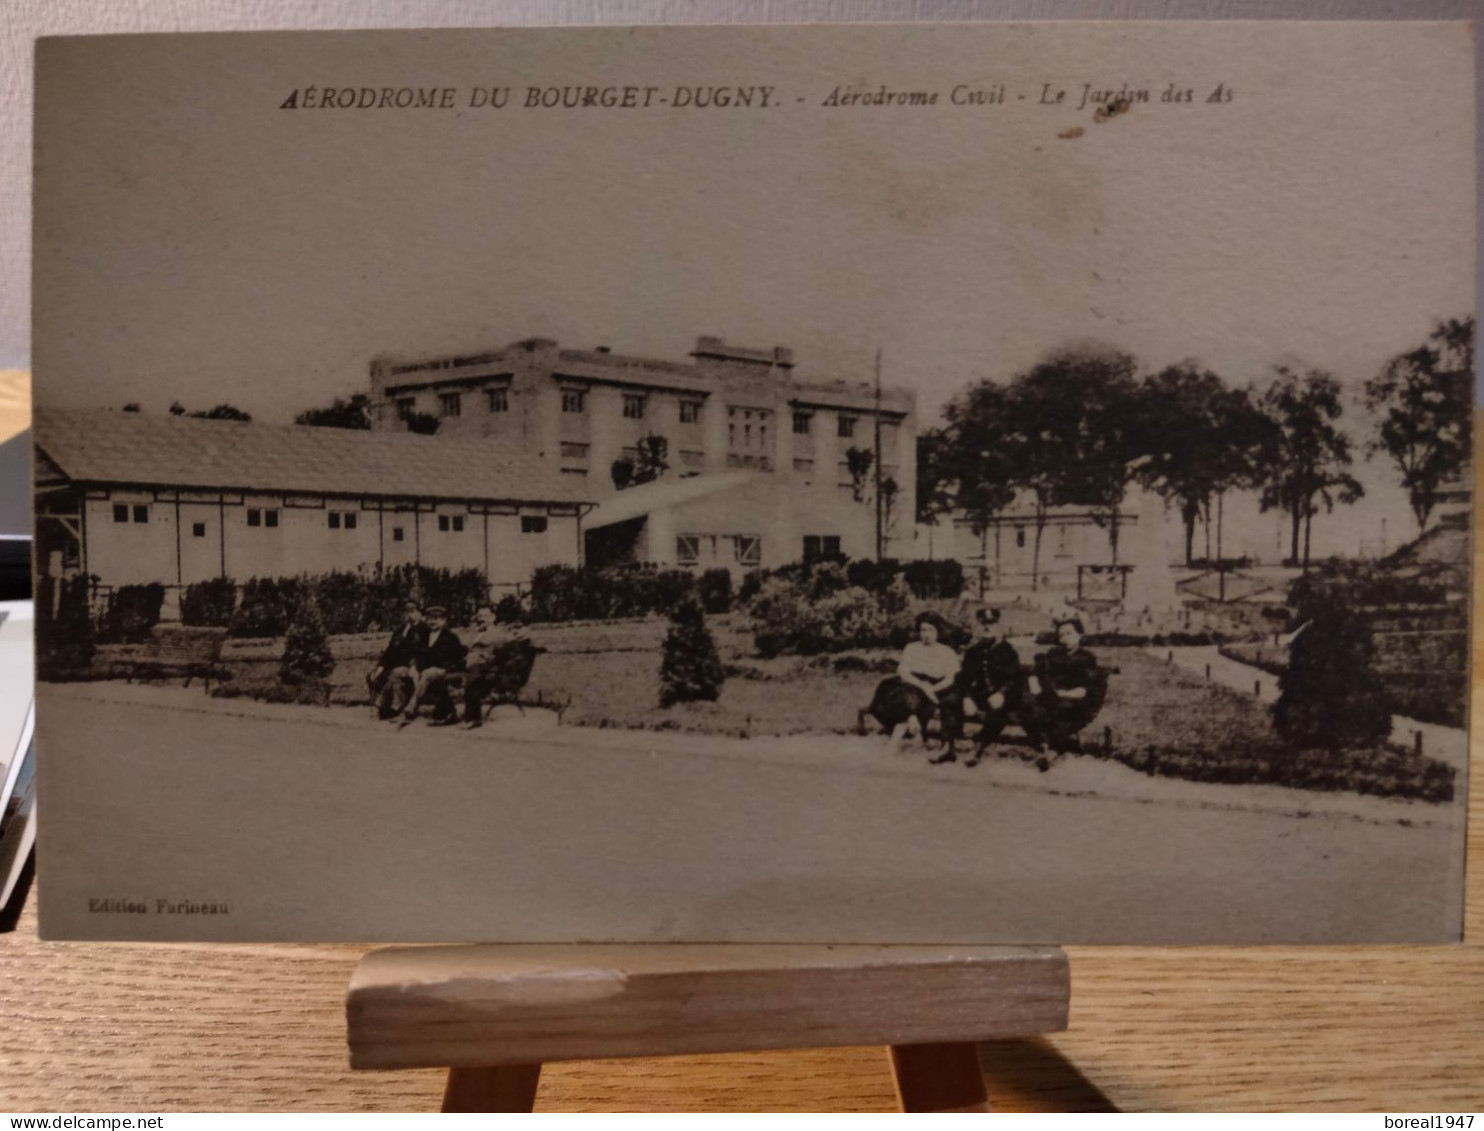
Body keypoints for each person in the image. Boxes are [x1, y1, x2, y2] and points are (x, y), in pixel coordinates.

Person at [931, 605, 1023, 767]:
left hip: (1003, 697)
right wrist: (967, 698)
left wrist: (1001, 694)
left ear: (998, 625)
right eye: (983, 623)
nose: (987, 627)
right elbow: (964, 680)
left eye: (991, 623)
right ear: (978, 626)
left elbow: (1015, 679)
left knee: (998, 710)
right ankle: (947, 748)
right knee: (950, 700)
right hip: (979, 695)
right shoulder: (973, 652)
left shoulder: (1008, 651)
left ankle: (978, 749)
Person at [863, 612, 960, 750]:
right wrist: (922, 686)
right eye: (923, 630)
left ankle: (902, 732)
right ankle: (911, 720)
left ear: (938, 631)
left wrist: (930, 689)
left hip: (936, 686)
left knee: (910, 697)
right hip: (913, 682)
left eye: (930, 630)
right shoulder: (912, 648)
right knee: (890, 689)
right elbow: (903, 672)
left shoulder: (947, 651)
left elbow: (950, 679)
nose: (926, 634)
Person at [1020, 617, 1106, 759]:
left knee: (1061, 709)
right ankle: (1043, 742)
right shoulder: (1054, 653)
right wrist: (1034, 681)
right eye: (1061, 635)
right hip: (1051, 696)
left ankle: (1052, 750)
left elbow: (1086, 688)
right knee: (1026, 706)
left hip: (1074, 699)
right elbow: (1036, 671)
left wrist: (1064, 693)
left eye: (1069, 633)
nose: (1064, 638)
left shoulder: (1086, 658)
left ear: (1079, 635)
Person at [402, 605, 467, 726]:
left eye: (436, 618)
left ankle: (412, 704)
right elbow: (418, 654)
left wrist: (443, 669)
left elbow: (459, 660)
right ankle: (416, 707)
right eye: (429, 618)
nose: (432, 622)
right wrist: (414, 667)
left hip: (449, 671)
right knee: (418, 674)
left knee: (427, 674)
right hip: (428, 673)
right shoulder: (424, 636)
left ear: (444, 620)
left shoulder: (451, 637)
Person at [370, 601, 428, 720]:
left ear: (420, 613)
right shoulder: (400, 630)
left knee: (396, 674)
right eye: (407, 611)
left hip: (414, 666)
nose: (410, 614)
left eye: (413, 611)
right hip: (396, 665)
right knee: (374, 675)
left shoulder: (424, 630)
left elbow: (423, 651)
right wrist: (380, 667)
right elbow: (390, 651)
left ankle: (389, 707)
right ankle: (386, 708)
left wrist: (414, 665)